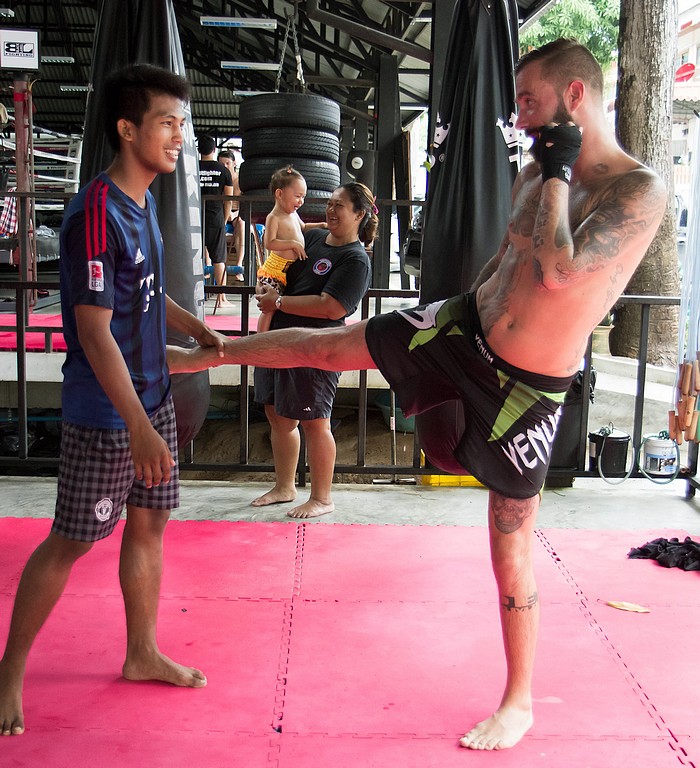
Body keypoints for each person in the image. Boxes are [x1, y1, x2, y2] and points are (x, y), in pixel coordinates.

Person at [167, 39, 667, 749]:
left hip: (527, 386)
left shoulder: (635, 191)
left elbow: (559, 272)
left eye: (530, 102)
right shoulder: (533, 172)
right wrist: (453, 309)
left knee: (509, 542)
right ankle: (192, 360)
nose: (521, 120)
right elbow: (506, 262)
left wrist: (558, 169)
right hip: (465, 326)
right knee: (333, 345)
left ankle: (518, 700)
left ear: (576, 97)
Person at [0, 63, 226, 737]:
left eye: (182, 124)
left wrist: (196, 328)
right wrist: (139, 428)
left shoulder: (145, 201)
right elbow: (95, 335)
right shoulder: (95, 214)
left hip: (151, 396)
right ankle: (9, 670)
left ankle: (140, 650)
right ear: (128, 130)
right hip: (108, 413)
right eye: (166, 123)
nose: (179, 136)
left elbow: (151, 291)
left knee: (150, 524)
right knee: (71, 540)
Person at [253, 181, 374, 517]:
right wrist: (269, 283)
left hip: (316, 347)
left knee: (315, 421)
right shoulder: (315, 239)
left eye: (340, 206)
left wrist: (277, 301)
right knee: (277, 415)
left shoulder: (356, 259)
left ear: (359, 214)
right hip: (278, 339)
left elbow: (332, 307)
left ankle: (322, 497)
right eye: (330, 203)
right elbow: (282, 264)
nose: (331, 211)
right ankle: (284, 486)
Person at [257, 166, 327, 334]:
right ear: (279, 194)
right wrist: (292, 244)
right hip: (275, 271)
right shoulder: (274, 217)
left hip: (289, 271)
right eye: (297, 196)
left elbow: (303, 227)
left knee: (280, 308)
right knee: (269, 309)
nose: (300, 201)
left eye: (303, 197)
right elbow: (269, 243)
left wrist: (322, 225)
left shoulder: (293, 215)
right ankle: (260, 338)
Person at [198, 134, 233, 304]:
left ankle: (193, 295)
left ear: (199, 150)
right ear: (214, 150)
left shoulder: (192, 167)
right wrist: (225, 219)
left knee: (195, 256)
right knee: (219, 258)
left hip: (194, 218)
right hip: (215, 217)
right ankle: (221, 297)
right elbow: (229, 198)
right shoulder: (223, 170)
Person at [217, 149, 245, 283]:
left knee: (241, 224)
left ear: (234, 163)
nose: (225, 167)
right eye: (222, 164)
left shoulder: (241, 180)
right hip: (222, 213)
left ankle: (239, 265)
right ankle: (209, 264)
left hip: (237, 213)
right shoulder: (219, 178)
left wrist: (234, 213)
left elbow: (244, 203)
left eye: (227, 163)